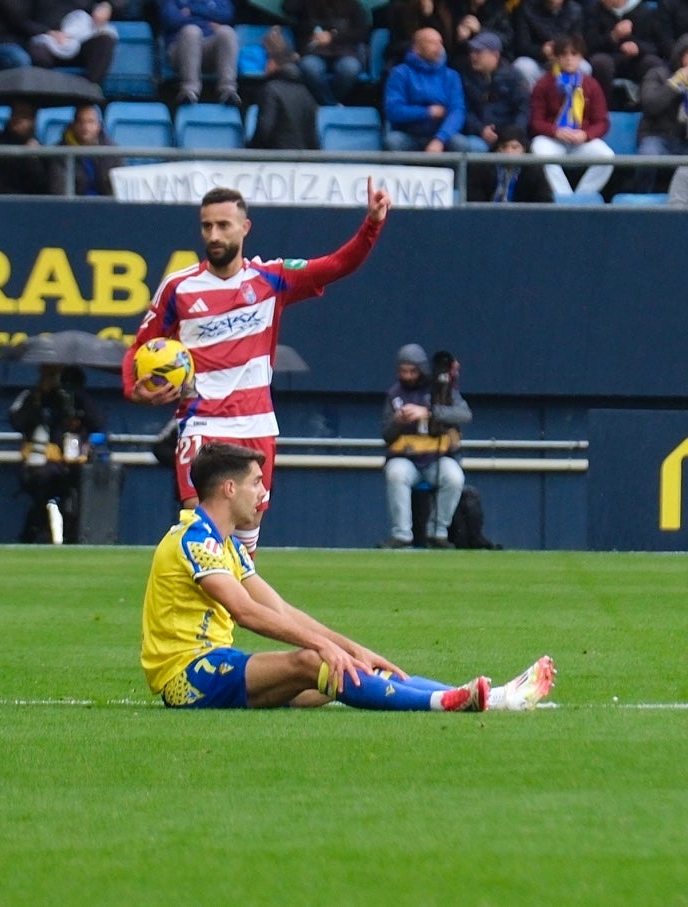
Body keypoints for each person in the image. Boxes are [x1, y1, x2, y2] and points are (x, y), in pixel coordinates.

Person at [140, 441, 558, 711]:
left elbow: (280, 608)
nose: (263, 493)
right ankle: (444, 702)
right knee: (312, 661)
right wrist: (323, 646)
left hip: (217, 670)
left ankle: (487, 697)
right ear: (229, 489)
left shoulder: (226, 545)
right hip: (190, 677)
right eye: (255, 483)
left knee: (338, 675)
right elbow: (246, 612)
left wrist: (356, 648)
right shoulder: (196, 539)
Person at [122, 181, 392, 558]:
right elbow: (139, 346)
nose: (213, 235)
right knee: (200, 533)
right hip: (203, 425)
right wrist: (135, 388)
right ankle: (194, 616)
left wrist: (372, 224)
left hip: (256, 426)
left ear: (245, 228)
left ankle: (233, 615)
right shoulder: (178, 288)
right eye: (206, 226)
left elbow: (336, 265)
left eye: (223, 225)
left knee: (245, 550)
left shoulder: (270, 279)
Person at [379, 343, 472, 549]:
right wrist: (398, 421)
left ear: (421, 370)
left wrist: (429, 412)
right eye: (403, 371)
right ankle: (402, 534)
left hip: (437, 457)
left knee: (454, 477)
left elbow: (464, 414)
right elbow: (386, 435)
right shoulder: (394, 394)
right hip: (407, 458)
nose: (408, 376)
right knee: (395, 473)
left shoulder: (440, 390)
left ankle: (437, 532)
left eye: (413, 371)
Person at [8, 364, 106, 543]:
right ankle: (40, 531)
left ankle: (77, 533)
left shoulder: (78, 399)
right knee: (45, 483)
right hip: (39, 465)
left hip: (74, 463)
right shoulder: (32, 397)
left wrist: (76, 396)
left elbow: (97, 422)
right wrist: (40, 396)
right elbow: (17, 421)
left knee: (87, 481)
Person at [528, 34, 616, 197]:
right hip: (553, 139)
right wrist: (555, 131)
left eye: (573, 54)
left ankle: (582, 197)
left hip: (580, 140)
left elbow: (602, 122)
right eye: (563, 54)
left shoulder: (591, 84)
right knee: (539, 151)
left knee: (607, 156)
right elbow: (536, 122)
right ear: (556, 57)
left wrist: (585, 135)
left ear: (581, 57)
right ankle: (565, 198)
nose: (569, 59)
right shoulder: (543, 84)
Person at [636, 33, 688, 189]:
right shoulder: (657, 74)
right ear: (679, 55)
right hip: (657, 136)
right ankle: (641, 197)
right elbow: (650, 105)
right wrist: (675, 84)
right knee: (648, 155)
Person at [383, 27, 469, 152]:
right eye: (432, 42)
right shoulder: (400, 73)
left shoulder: (451, 76)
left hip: (441, 135)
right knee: (392, 141)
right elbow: (393, 110)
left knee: (461, 144)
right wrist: (428, 112)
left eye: (440, 42)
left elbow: (457, 111)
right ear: (416, 48)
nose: (438, 47)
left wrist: (440, 139)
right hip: (409, 135)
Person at [283, 0, 370, 106]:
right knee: (309, 67)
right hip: (313, 50)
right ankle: (332, 106)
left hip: (344, 50)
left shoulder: (352, 4)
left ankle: (326, 105)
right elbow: (288, 8)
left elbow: (361, 32)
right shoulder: (307, 4)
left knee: (350, 68)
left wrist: (333, 37)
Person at [160, 0, 240, 107]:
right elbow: (172, 19)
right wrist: (207, 16)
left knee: (227, 31)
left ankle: (228, 91)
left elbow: (227, 15)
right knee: (192, 31)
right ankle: (189, 91)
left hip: (208, 48)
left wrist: (192, 10)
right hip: (179, 49)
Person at [246, 37, 320, 151]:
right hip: (304, 161)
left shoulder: (270, 90)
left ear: (273, 63)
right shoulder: (306, 92)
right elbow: (313, 137)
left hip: (277, 159)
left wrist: (250, 151)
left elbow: (264, 128)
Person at [460, 31, 529, 151]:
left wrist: (511, 136)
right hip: (477, 137)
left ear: (495, 55)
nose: (472, 56)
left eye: (478, 52)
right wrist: (481, 130)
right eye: (472, 51)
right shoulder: (465, 76)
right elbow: (464, 110)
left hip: (508, 139)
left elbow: (523, 110)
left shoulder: (514, 77)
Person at [583, 0, 661, 105]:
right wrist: (613, 36)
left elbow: (656, 45)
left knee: (653, 63)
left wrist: (638, 47)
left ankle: (647, 108)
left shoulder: (643, 11)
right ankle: (601, 108)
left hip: (635, 60)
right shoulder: (593, 10)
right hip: (608, 57)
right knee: (600, 62)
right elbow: (589, 45)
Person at [28, 0, 118, 86]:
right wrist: (49, 32)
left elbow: (120, 3)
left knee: (105, 41)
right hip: (44, 38)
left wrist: (107, 5)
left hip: (80, 38)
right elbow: (19, 20)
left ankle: (89, 95)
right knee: (39, 52)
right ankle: (44, 95)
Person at [0, 101, 50, 195]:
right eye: (15, 113)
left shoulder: (40, 152)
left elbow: (42, 189)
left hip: (23, 205)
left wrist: (33, 160)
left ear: (33, 121)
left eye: (24, 115)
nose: (17, 119)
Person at [510, 0, 585, 89]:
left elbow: (578, 43)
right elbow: (521, 46)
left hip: (565, 57)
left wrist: (561, 51)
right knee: (522, 66)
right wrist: (542, 51)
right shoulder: (526, 8)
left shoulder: (575, 10)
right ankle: (535, 99)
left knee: (584, 67)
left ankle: (572, 100)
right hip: (537, 61)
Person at [467, 124, 554, 201]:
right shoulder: (481, 169)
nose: (509, 151)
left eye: (515, 147)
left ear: (524, 149)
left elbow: (545, 201)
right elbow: (473, 201)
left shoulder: (534, 171)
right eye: (504, 147)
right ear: (497, 150)